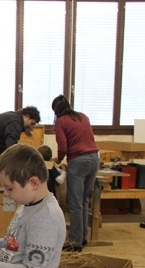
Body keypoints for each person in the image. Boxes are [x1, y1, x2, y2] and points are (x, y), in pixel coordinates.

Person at [52, 95, 99, 252]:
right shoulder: (82, 116)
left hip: (78, 161)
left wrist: (58, 160)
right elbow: (90, 137)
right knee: (84, 200)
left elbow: (63, 147)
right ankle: (82, 237)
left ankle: (74, 242)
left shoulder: (61, 122)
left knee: (75, 203)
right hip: (94, 158)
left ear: (56, 110)